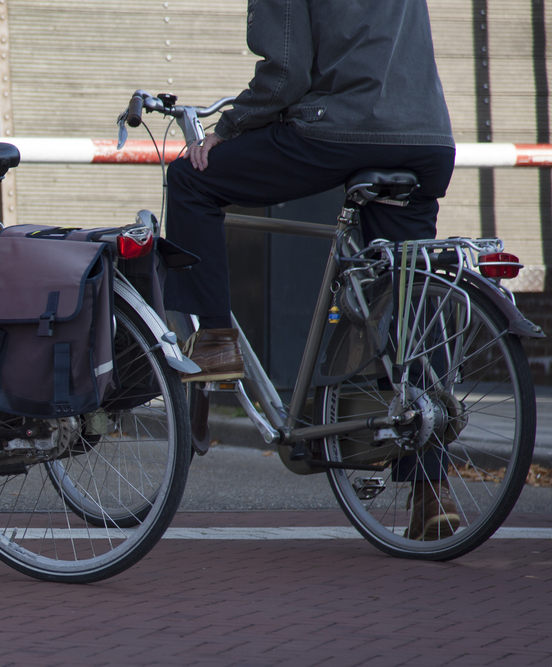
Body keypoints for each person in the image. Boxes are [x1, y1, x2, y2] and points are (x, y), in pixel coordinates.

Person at [166, 0, 459, 540]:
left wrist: (229, 127)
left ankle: (213, 341)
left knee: (192, 181)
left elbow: (285, 74)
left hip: (342, 133)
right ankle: (431, 490)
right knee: (407, 293)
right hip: (427, 137)